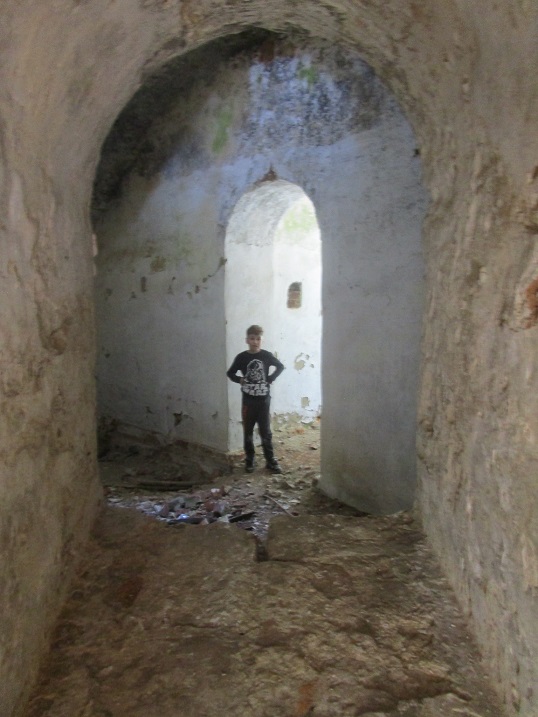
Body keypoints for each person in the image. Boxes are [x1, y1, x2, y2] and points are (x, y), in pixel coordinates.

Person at [226, 325, 285, 474]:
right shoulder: (242, 357)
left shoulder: (266, 355)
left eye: (258, 339)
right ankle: (250, 459)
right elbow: (230, 373)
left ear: (262, 340)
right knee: (248, 431)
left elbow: (280, 366)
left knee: (265, 431)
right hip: (248, 401)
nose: (255, 342)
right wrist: (239, 379)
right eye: (252, 338)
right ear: (247, 340)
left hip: (263, 401)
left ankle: (270, 460)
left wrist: (271, 378)